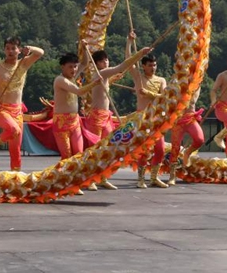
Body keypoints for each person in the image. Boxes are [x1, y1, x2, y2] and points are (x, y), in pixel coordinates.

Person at [82, 44, 151, 190]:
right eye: (102, 61)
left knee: (110, 147)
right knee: (95, 150)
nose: (105, 62)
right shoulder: (101, 73)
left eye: (106, 60)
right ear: (97, 63)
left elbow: (110, 77)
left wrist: (113, 79)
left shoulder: (103, 76)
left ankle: (102, 177)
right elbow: (121, 66)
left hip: (106, 116)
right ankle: (90, 179)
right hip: (96, 116)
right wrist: (140, 54)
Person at [0, 37, 44, 171]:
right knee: (14, 130)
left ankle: (15, 177)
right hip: (2, 110)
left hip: (17, 111)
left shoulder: (23, 63)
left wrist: (30, 49)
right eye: (7, 48)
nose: (10, 51)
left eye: (13, 48)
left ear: (19, 50)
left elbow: (40, 52)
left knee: (15, 149)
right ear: (4, 50)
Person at [127, 32, 168, 189]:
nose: (153, 67)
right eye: (150, 65)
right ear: (143, 66)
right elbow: (128, 61)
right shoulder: (138, 77)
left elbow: (163, 97)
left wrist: (148, 93)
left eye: (154, 65)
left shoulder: (161, 80)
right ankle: (141, 178)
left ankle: (154, 177)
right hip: (142, 117)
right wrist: (130, 42)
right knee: (143, 149)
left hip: (156, 117)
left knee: (160, 149)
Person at [167, 87, 205, 185]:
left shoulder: (196, 84)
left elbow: (193, 100)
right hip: (178, 120)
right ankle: (172, 175)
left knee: (199, 139)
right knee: (175, 147)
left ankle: (187, 153)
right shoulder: (178, 84)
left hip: (190, 118)